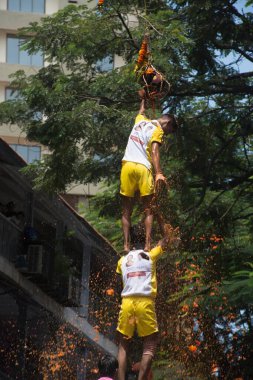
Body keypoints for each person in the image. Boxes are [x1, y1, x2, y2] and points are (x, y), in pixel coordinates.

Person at [120, 89, 178, 252]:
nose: (166, 134)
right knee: (149, 209)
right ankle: (147, 244)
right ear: (166, 124)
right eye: (169, 131)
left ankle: (125, 245)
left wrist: (144, 98)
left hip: (127, 166)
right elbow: (154, 151)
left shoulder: (140, 121)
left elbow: (141, 111)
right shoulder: (158, 130)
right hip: (143, 168)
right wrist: (158, 172)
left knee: (126, 210)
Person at [116, 225, 171, 380]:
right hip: (144, 302)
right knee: (150, 343)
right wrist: (159, 218)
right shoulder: (150, 255)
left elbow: (121, 276)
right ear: (147, 239)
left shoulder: (122, 260)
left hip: (126, 302)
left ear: (131, 240)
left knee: (123, 345)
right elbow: (167, 238)